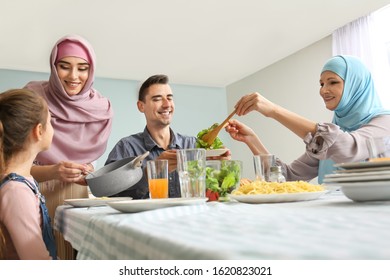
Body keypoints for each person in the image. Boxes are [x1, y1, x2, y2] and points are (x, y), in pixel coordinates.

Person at [225, 55, 390, 183]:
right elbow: (288, 177)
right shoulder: (328, 136)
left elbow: (346, 149)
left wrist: (274, 110)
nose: (324, 90)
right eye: (321, 84)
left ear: (356, 84)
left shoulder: (384, 122)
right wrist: (251, 139)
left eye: (333, 82)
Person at [24, 34, 113, 259]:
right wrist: (53, 171)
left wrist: (89, 172)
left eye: (82, 68)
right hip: (32, 193)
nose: (74, 76)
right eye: (65, 67)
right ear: (54, 68)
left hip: (77, 198)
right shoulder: (32, 99)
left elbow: (90, 160)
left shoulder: (99, 108)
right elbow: (13, 164)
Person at [105, 74, 229, 199]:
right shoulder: (126, 147)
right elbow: (107, 191)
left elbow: (216, 191)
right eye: (157, 99)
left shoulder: (193, 145)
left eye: (169, 98)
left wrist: (222, 168)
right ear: (141, 106)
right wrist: (149, 173)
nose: (166, 104)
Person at [0, 89, 56, 259]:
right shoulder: (16, 191)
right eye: (50, 122)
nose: (52, 128)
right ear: (38, 131)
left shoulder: (22, 182)